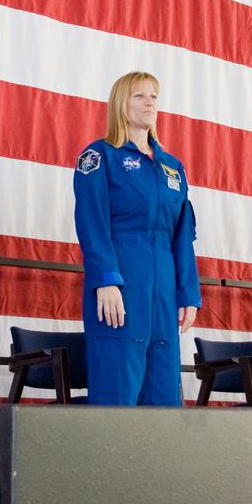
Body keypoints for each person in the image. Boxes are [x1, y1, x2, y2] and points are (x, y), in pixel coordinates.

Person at [73, 72, 200, 406]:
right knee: (119, 384)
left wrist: (188, 293)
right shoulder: (100, 156)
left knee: (164, 387)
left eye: (154, 96)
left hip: (165, 284)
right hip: (123, 281)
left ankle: (160, 459)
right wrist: (106, 280)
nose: (149, 103)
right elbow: (91, 222)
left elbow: (183, 234)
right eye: (139, 96)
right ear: (121, 104)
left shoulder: (172, 167)